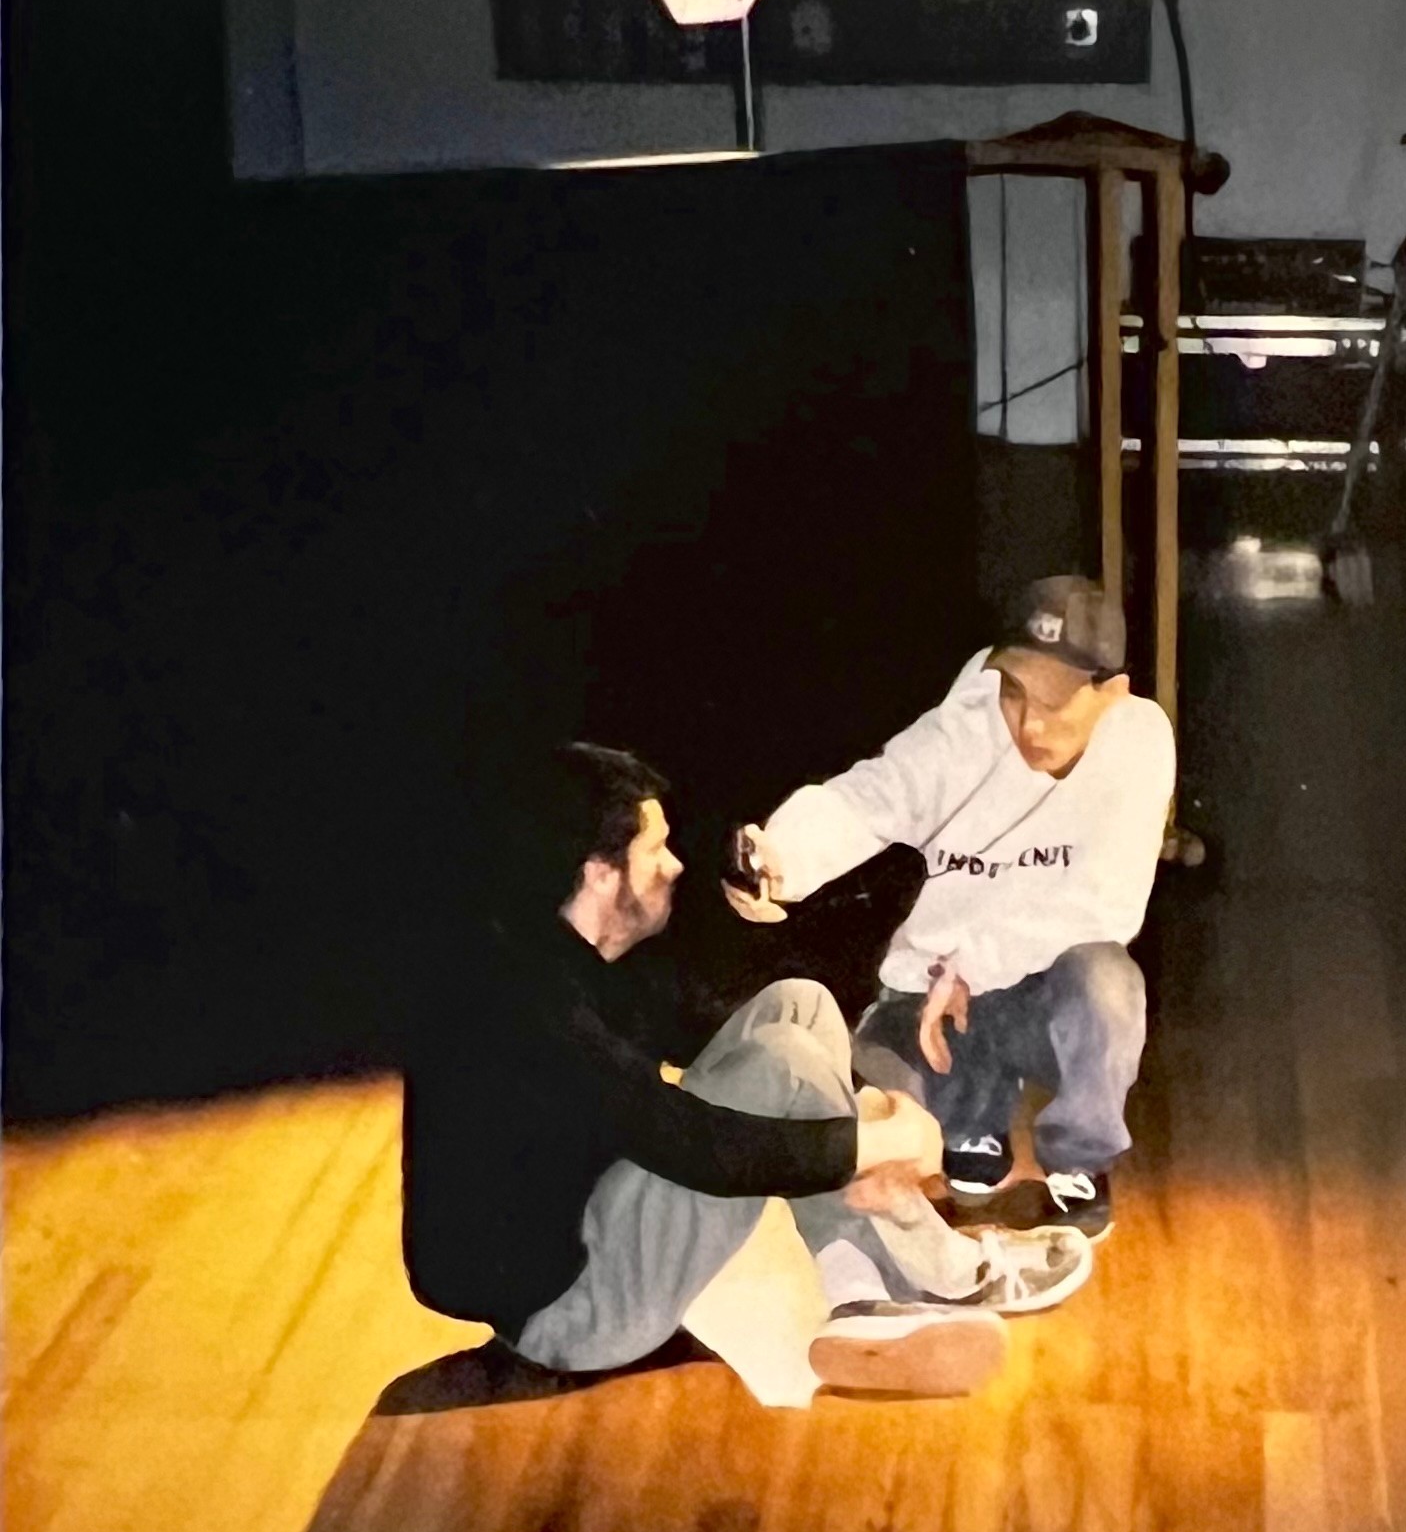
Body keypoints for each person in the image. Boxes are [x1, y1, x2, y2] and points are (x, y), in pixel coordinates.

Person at [403, 743, 1090, 1390]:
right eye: (654, 851)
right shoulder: (532, 1010)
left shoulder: (558, 946)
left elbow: (694, 1026)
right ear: (599, 873)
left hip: (590, 1221)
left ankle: (862, 1288)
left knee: (799, 1008)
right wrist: (867, 1142)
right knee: (784, 1062)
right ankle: (929, 1275)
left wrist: (860, 1108)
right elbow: (695, 1144)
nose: (675, 865)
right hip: (576, 1312)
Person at [731, 577, 1173, 1240]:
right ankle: (973, 1121)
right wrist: (777, 860)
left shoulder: (1140, 742)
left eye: (1053, 704)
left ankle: (1077, 1157)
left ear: (1110, 692)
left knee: (1109, 980)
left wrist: (971, 966)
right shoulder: (967, 725)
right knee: (871, 1148)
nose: (1028, 723)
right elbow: (873, 795)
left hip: (1043, 999)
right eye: (1015, 692)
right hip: (939, 1007)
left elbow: (1104, 906)